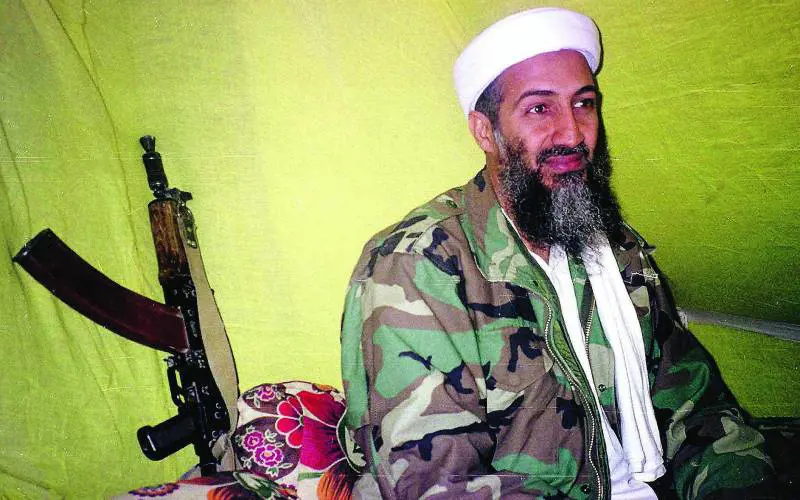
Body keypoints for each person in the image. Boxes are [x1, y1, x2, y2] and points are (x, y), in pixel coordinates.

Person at [339, 7, 775, 499]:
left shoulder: (614, 247)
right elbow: (438, 483)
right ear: (484, 131)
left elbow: (697, 408)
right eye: (539, 109)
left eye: (584, 104)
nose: (572, 133)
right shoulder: (417, 266)